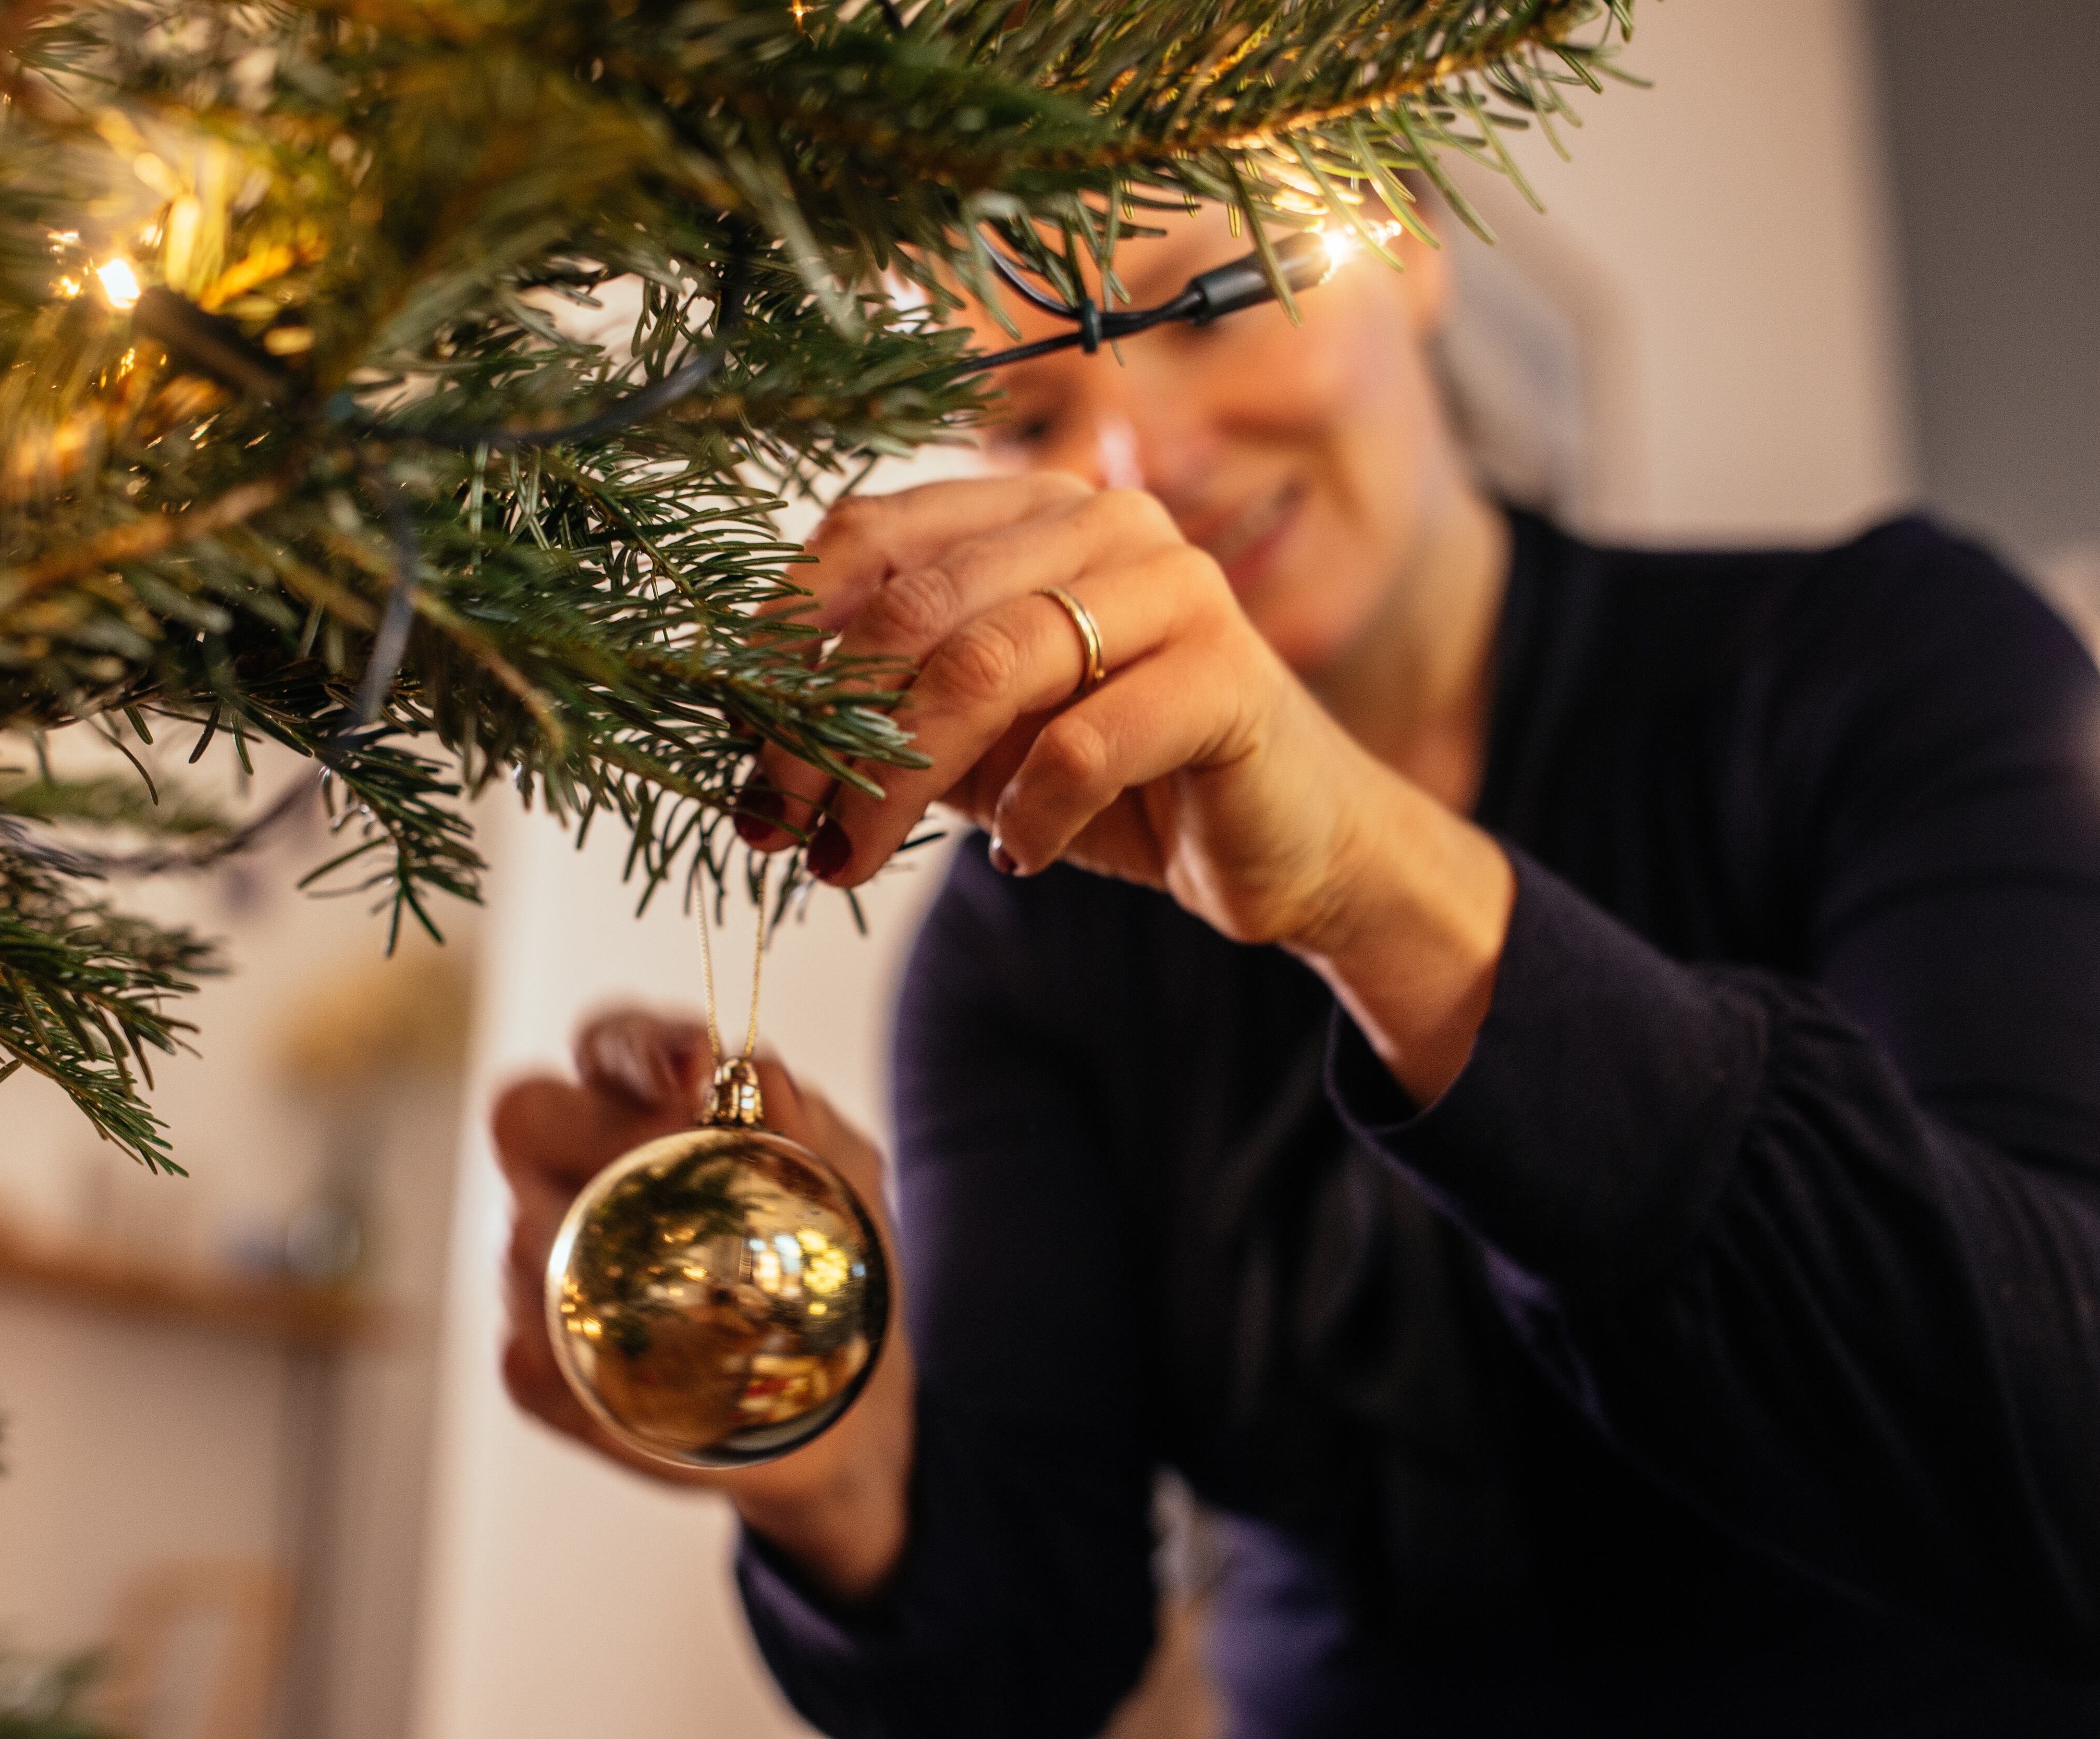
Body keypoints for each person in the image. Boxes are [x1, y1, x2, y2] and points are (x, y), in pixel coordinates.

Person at [488, 201, 2100, 1736]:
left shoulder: (1883, 665)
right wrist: (823, 1449)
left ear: (1404, 244)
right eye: (1033, 420)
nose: (1149, 468)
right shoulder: (1024, 934)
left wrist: (1370, 885)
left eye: (1213, 302)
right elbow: (1024, 1655)